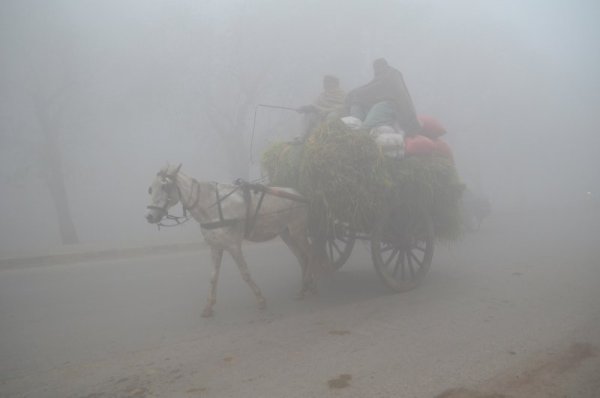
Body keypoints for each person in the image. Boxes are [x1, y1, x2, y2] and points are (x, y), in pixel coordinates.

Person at [346, 58, 420, 135]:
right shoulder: (385, 75)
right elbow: (375, 89)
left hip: (393, 105)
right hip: (387, 104)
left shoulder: (391, 74)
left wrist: (357, 93)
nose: (376, 70)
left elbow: (377, 88)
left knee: (366, 127)